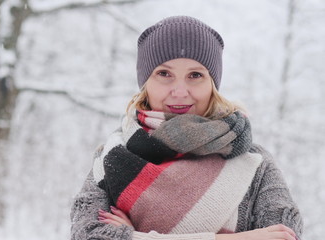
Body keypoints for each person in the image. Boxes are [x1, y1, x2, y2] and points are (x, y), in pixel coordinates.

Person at [70, 16, 303, 240]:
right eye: (164, 73)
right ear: (145, 83)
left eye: (195, 75)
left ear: (212, 85)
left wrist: (134, 236)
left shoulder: (255, 164)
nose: (180, 91)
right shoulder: (112, 158)